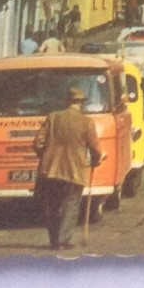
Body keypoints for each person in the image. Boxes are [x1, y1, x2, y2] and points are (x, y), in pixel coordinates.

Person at [32, 86, 102, 250]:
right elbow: (95, 148)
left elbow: (37, 142)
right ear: (80, 104)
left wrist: (45, 155)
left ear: (67, 102)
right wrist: (96, 160)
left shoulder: (53, 117)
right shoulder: (86, 122)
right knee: (71, 204)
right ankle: (63, 240)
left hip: (51, 169)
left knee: (53, 205)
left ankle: (54, 239)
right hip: (74, 169)